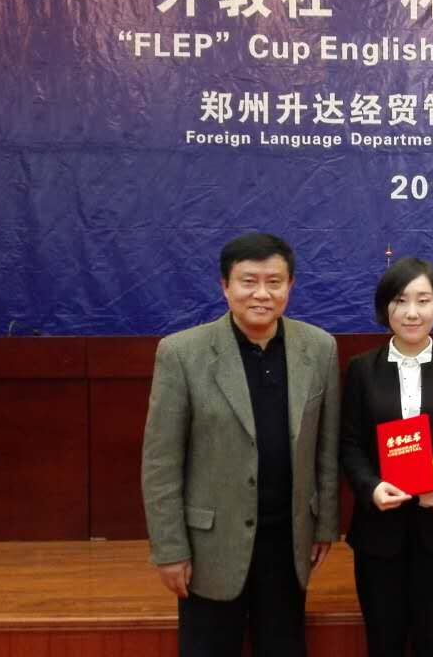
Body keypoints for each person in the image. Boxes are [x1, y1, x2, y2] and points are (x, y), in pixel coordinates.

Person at [141, 232, 341, 657]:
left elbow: (326, 447)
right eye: (249, 281)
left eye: (274, 282)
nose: (262, 294)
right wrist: (169, 549)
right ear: (225, 286)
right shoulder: (182, 354)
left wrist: (323, 525)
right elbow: (160, 463)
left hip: (288, 543)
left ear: (290, 286)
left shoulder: (319, 348)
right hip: (211, 547)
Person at [339, 257, 433, 657]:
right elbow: (349, 444)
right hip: (379, 534)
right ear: (385, 307)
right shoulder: (362, 369)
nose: (412, 312)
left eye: (423, 300)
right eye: (400, 300)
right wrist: (371, 488)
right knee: (383, 643)